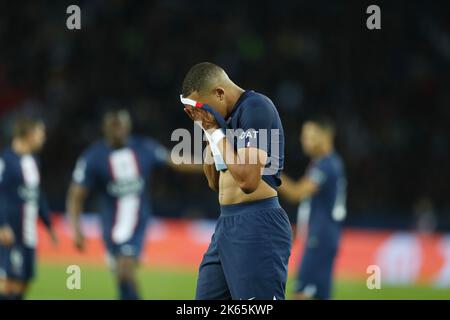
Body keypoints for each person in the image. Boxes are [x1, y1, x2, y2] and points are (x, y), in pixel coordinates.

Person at [181, 62, 292, 300]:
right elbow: (213, 182)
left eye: (202, 106)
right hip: (226, 224)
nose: (202, 113)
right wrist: (207, 131)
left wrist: (214, 131)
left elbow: (248, 181)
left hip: (258, 224)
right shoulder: (223, 122)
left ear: (219, 93)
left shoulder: (256, 107)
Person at [66, 109, 201, 300]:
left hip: (137, 221)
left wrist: (207, 165)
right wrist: (76, 228)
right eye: (114, 126)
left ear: (128, 126)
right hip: (110, 225)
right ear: (105, 129)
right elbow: (76, 195)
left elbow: (174, 161)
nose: (118, 130)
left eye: (121, 125)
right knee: (121, 277)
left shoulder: (142, 147)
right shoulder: (93, 157)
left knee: (124, 271)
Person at [279, 116, 346, 300]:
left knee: (300, 295)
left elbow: (296, 193)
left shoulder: (325, 165)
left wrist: (267, 170)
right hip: (324, 237)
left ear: (325, 136)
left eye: (309, 135)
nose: (304, 140)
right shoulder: (329, 163)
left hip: (320, 238)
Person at [0, 116, 57, 300]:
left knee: (23, 284)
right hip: (10, 234)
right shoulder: (6, 161)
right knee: (7, 284)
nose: (43, 138)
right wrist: (1, 225)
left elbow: (37, 196)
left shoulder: (33, 161)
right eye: (41, 133)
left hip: (28, 234)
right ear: (29, 135)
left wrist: (48, 225)